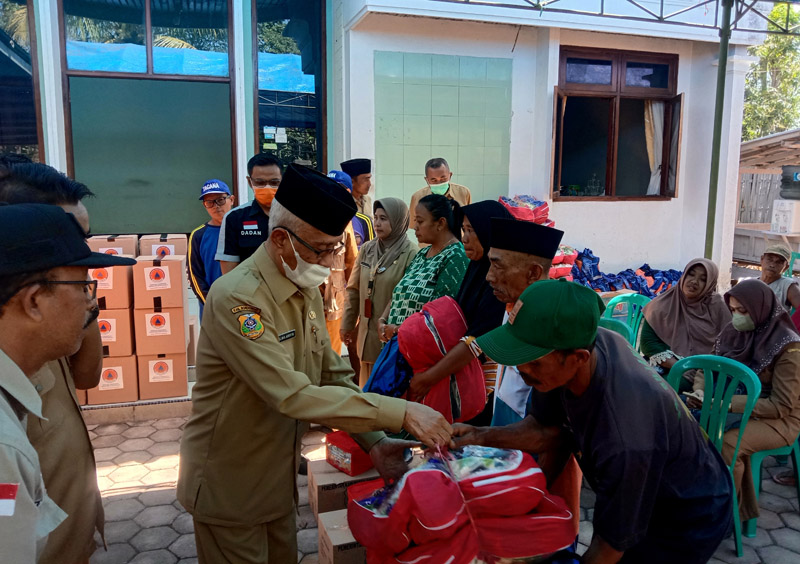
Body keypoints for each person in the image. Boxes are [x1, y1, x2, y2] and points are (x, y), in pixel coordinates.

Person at [177, 164, 453, 564]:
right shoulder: (238, 299)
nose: (329, 261)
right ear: (280, 240)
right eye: (321, 249)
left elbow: (332, 374)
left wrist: (376, 442)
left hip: (275, 479)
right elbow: (291, 395)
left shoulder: (302, 285)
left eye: (335, 248)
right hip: (230, 485)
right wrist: (403, 412)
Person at [457, 280, 734, 564]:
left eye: (534, 362)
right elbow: (546, 430)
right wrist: (478, 435)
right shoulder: (580, 342)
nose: (521, 368)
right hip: (645, 475)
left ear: (578, 359)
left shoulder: (625, 438)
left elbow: (608, 548)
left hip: (685, 515)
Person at [0, 162, 129, 564]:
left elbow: (88, 375)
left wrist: (79, 303)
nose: (84, 255)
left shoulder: (41, 328)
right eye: (71, 243)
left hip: (67, 520)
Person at [697, 279, 800, 524]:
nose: (737, 316)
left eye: (743, 311)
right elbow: (707, 366)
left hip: (780, 419)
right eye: (733, 310)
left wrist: (728, 403)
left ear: (760, 308)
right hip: (731, 408)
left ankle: (726, 516)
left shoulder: (788, 347)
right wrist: (700, 390)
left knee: (725, 442)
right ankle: (717, 505)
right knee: (689, 426)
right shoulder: (732, 333)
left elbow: (781, 405)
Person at [407, 202, 512, 424]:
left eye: (472, 231)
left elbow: (477, 341)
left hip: (483, 383)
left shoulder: (500, 281)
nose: (465, 238)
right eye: (464, 230)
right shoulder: (475, 268)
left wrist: (429, 377)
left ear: (489, 232)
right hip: (459, 372)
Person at [341, 198, 418, 387]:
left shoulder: (411, 254)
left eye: (383, 218)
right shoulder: (368, 249)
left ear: (398, 221)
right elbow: (354, 289)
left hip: (389, 338)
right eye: (375, 218)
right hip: (366, 334)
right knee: (365, 387)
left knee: (385, 390)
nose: (377, 223)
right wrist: (347, 324)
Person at [377, 194, 469, 341]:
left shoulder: (455, 256)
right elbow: (400, 290)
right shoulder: (422, 254)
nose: (415, 227)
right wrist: (382, 319)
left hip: (421, 346)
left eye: (420, 221)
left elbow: (441, 313)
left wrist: (398, 330)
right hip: (398, 342)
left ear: (440, 223)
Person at [640, 258, 731, 389]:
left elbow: (728, 344)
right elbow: (648, 343)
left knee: (662, 389)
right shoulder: (662, 303)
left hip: (704, 372)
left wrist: (699, 370)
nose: (694, 281)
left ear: (710, 284)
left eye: (703, 279)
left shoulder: (717, 306)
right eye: (691, 274)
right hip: (666, 365)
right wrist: (681, 367)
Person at [216, 154, 282, 274]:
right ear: (249, 182)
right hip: (250, 285)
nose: (267, 187)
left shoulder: (297, 216)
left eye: (274, 182)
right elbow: (229, 274)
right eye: (260, 182)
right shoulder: (234, 218)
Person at [189, 179, 235, 320]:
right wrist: (210, 303)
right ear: (205, 205)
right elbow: (195, 275)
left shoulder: (243, 229)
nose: (216, 206)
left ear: (231, 200)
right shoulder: (198, 235)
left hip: (246, 304)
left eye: (220, 200)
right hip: (212, 307)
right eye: (209, 202)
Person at [409, 158, 471, 229]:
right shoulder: (417, 197)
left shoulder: (463, 193)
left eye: (443, 179)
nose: (439, 183)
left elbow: (468, 222)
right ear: (427, 180)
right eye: (434, 180)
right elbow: (413, 225)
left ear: (450, 175)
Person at [759, 244, 800, 313]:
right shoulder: (751, 283)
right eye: (769, 259)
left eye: (779, 262)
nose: (772, 265)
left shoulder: (788, 286)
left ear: (786, 267)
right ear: (762, 259)